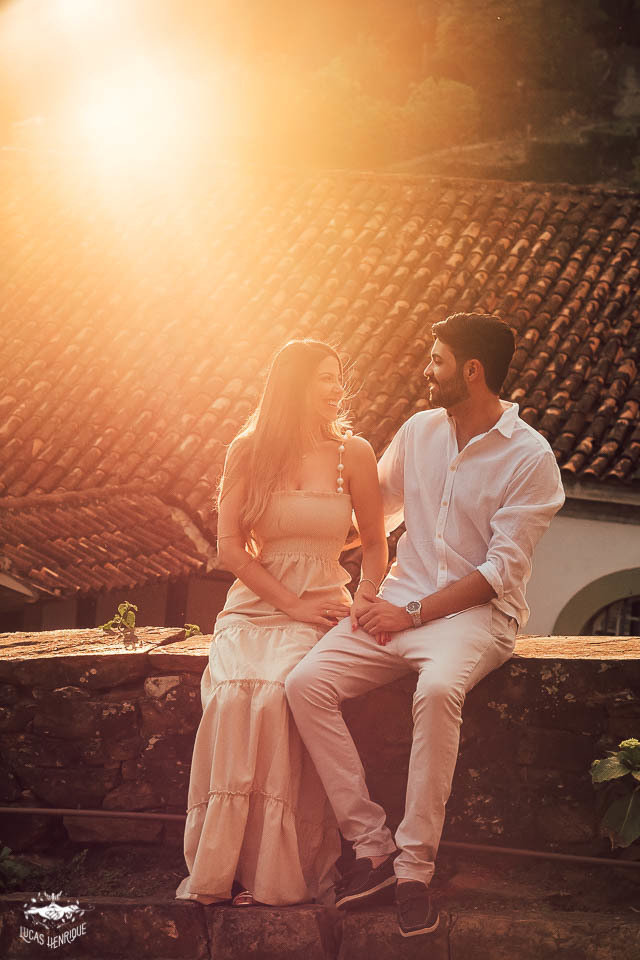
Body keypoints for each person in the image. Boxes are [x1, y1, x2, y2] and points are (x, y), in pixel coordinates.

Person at [286, 313, 565, 937]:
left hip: (473, 619)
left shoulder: (530, 457)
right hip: (397, 603)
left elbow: (499, 573)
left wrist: (408, 612)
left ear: (472, 371)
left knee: (438, 692)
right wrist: (297, 544)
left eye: (436, 361)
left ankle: (414, 871)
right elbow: (374, 513)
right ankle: (372, 847)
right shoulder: (418, 431)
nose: (426, 371)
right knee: (304, 685)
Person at [176, 339, 388, 907]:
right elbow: (229, 552)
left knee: (276, 694)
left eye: (336, 377)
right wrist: (286, 604)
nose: (335, 388)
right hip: (253, 605)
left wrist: (365, 602)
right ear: (293, 386)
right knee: (230, 698)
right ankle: (228, 868)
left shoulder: (355, 453)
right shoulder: (247, 451)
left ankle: (277, 868)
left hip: (321, 602)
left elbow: (374, 544)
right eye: (323, 377)